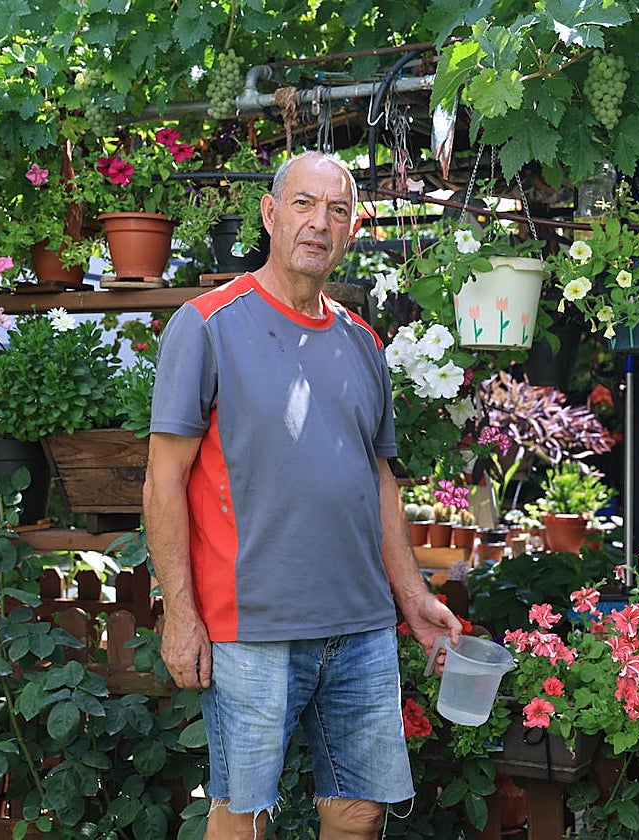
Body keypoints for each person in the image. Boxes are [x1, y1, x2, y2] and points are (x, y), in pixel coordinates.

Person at [143, 150, 462, 840]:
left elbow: (376, 477)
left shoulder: (361, 343)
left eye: (338, 210)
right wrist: (180, 614)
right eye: (303, 204)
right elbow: (162, 480)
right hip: (250, 624)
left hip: (359, 623)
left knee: (360, 810)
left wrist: (413, 599)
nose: (320, 223)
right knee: (242, 815)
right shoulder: (205, 326)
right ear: (268, 214)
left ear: (351, 230)